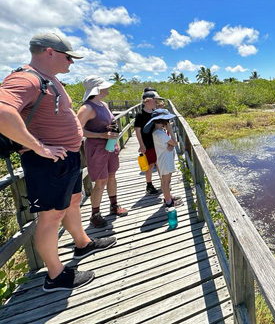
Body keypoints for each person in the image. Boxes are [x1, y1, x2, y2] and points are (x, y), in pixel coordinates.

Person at [0, 33, 116, 292]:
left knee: (73, 201)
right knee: (50, 218)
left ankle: (82, 243)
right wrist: (38, 147)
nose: (71, 63)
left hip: (68, 157)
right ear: (49, 52)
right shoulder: (26, 78)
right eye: (68, 57)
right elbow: (2, 111)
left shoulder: (49, 80)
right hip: (48, 163)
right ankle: (55, 275)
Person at [77, 75, 128, 228]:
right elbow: (77, 130)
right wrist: (101, 135)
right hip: (96, 149)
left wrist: (110, 131)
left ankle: (114, 205)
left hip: (110, 146)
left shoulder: (103, 105)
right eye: (105, 86)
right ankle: (95, 214)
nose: (108, 88)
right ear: (98, 89)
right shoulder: (87, 108)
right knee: (100, 181)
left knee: (112, 176)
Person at [144, 109, 184, 208]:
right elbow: (174, 142)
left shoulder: (157, 132)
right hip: (165, 160)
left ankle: (168, 196)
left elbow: (169, 144)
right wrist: (170, 130)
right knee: (166, 182)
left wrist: (170, 145)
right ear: (163, 121)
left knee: (165, 180)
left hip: (163, 159)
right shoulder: (160, 133)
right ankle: (169, 202)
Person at [134, 90, 165, 194]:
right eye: (155, 100)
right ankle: (149, 185)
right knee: (150, 165)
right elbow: (137, 131)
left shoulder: (154, 112)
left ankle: (163, 183)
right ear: (147, 101)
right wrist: (141, 145)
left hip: (157, 142)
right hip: (147, 143)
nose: (156, 102)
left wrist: (160, 109)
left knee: (159, 163)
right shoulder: (140, 114)